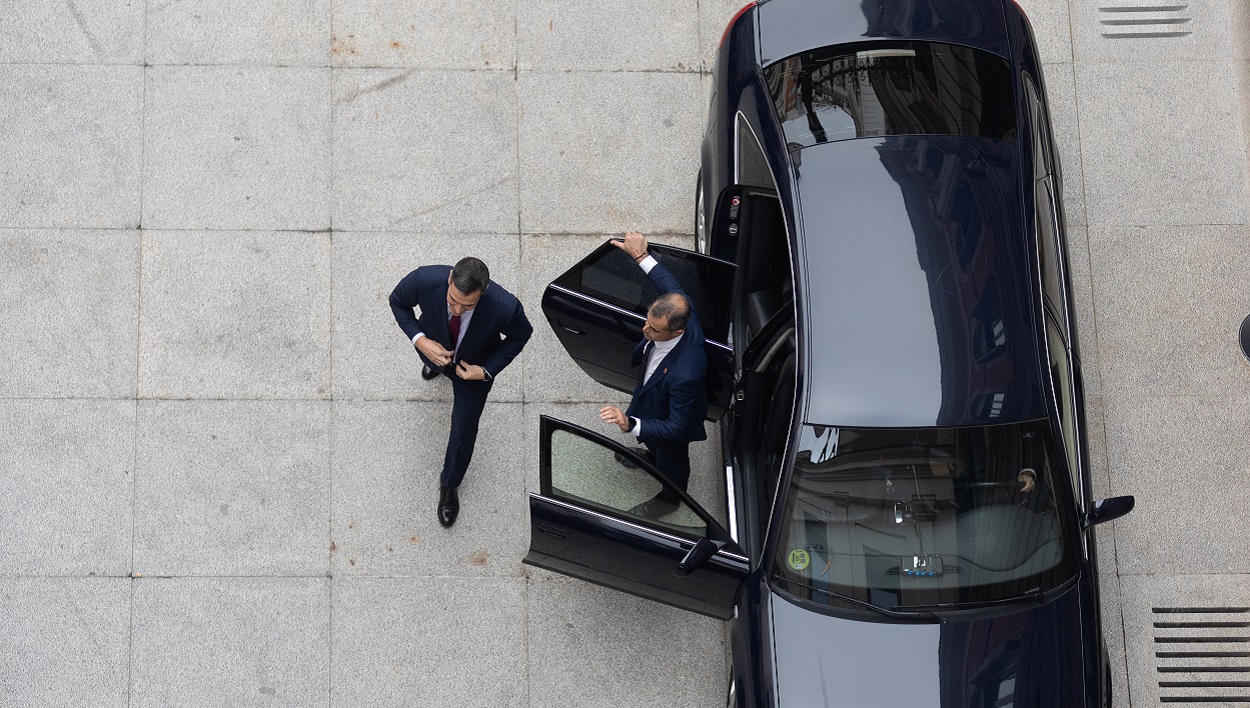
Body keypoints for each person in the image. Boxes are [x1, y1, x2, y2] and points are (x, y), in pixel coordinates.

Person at [389, 257, 532, 528]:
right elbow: (398, 302)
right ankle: (435, 367)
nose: (456, 310)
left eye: (467, 305)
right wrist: (421, 341)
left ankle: (449, 485)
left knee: (463, 432)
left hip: (473, 372)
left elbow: (521, 335)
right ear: (450, 277)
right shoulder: (423, 279)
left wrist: (486, 370)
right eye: (452, 300)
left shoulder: (506, 307)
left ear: (485, 290)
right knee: (434, 361)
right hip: (435, 351)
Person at [599, 232, 709, 519]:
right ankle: (652, 457)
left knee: (672, 457)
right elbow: (670, 284)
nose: (645, 331)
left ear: (677, 332)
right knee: (656, 444)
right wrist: (640, 256)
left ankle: (670, 499)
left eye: (653, 330)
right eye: (647, 322)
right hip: (653, 396)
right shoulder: (682, 309)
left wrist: (631, 423)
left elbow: (676, 428)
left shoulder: (687, 374)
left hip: (668, 419)